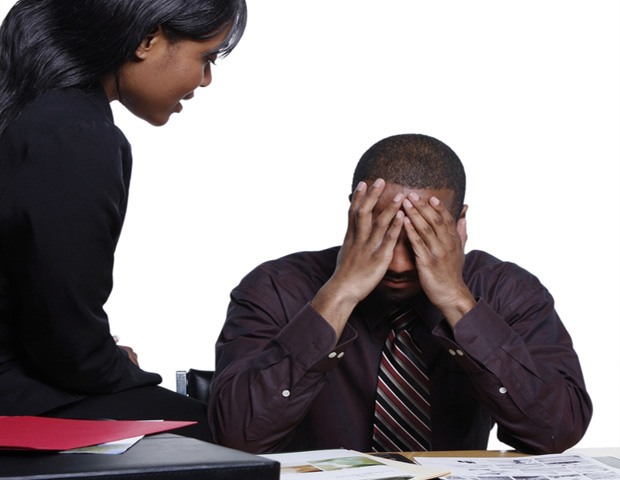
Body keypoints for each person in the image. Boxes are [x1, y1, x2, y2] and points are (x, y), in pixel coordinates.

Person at [208, 133, 592, 454]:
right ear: (354, 214)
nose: (399, 265)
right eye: (382, 233)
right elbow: (237, 436)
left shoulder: (507, 291)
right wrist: (339, 294)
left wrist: (459, 303)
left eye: (423, 236)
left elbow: (556, 433)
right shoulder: (275, 287)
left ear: (460, 224)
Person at [0, 0, 246, 441]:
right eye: (206, 57)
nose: (205, 79)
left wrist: (98, 355)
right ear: (148, 40)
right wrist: (117, 367)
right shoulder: (78, 134)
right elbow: (67, 348)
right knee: (234, 436)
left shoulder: (31, 111)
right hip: (16, 397)